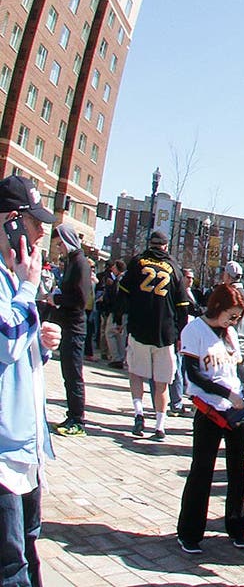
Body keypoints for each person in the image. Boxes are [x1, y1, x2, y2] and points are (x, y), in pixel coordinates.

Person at [176, 283, 244, 554]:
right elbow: (194, 374)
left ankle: (237, 527)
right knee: (202, 470)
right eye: (231, 315)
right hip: (209, 408)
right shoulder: (194, 330)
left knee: (237, 470)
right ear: (217, 307)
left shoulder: (231, 334)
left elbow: (235, 367)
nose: (234, 321)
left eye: (238, 317)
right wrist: (225, 392)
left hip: (235, 408)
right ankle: (190, 532)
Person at [0, 176, 58, 587]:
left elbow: (19, 351)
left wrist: (41, 344)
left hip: (26, 446)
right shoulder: (14, 281)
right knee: (11, 565)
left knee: (29, 549)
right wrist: (29, 286)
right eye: (35, 223)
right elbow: (5, 341)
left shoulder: (14, 279)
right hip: (3, 453)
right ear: (11, 222)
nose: (41, 233)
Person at [119, 230, 192, 441]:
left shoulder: (137, 262)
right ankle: (160, 426)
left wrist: (119, 318)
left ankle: (139, 413)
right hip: (165, 332)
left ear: (149, 244)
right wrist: (180, 334)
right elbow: (183, 306)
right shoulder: (175, 269)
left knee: (136, 373)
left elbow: (123, 293)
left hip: (139, 327)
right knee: (162, 382)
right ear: (166, 246)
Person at [50, 224, 93, 438]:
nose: (58, 249)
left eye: (60, 244)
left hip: (76, 326)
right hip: (68, 325)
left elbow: (81, 299)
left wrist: (56, 299)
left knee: (74, 375)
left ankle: (79, 419)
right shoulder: (71, 263)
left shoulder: (80, 264)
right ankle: (72, 414)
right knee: (68, 374)